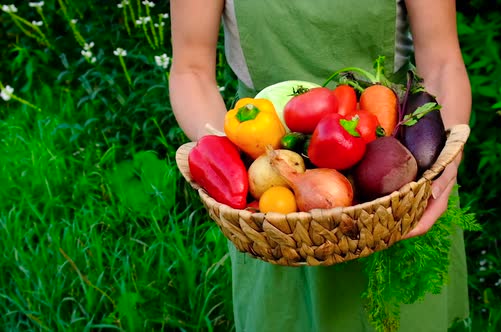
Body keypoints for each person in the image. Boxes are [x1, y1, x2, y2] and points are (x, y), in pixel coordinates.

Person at [169, 0, 472, 331]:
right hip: (273, 196)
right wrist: (226, 157)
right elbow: (191, 70)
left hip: (397, 179)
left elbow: (443, 62)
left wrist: (444, 161)